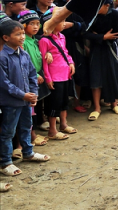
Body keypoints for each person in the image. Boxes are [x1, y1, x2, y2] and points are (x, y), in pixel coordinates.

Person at [1, 20, 50, 177]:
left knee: (26, 126)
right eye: (18, 34)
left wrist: (33, 94)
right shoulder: (3, 57)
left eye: (23, 33)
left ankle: (28, 152)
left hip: (26, 101)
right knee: (8, 131)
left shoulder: (24, 54)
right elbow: (4, 83)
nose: (22, 36)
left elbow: (31, 74)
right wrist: (23, 95)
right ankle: (6, 162)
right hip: (11, 102)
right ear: (6, 38)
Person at [83, 0, 118, 120]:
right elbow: (85, 33)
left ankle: (114, 104)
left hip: (110, 48)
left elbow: (117, 33)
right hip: (96, 49)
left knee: (111, 75)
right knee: (96, 77)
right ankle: (97, 108)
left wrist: (98, 35)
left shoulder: (115, 15)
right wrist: (103, 37)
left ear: (107, 5)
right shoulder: (92, 15)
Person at [39, 9, 77, 139]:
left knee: (64, 101)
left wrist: (71, 63)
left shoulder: (62, 36)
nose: (64, 24)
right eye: (61, 21)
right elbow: (44, 62)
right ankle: (52, 130)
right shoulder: (45, 40)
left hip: (65, 74)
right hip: (54, 76)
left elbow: (65, 52)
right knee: (54, 103)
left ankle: (64, 124)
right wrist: (48, 78)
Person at [57, 0, 89, 113]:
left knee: (78, 73)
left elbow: (87, 25)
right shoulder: (59, 8)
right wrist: (76, 27)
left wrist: (74, 25)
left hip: (78, 44)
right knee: (62, 75)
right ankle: (61, 105)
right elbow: (59, 27)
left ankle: (76, 101)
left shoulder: (83, 6)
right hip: (62, 45)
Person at [18, 11, 49, 147]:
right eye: (32, 24)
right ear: (24, 26)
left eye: (38, 24)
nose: (36, 27)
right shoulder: (23, 43)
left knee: (37, 103)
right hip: (29, 77)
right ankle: (31, 136)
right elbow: (24, 62)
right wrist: (35, 75)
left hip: (38, 74)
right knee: (30, 108)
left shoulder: (36, 40)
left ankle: (37, 127)